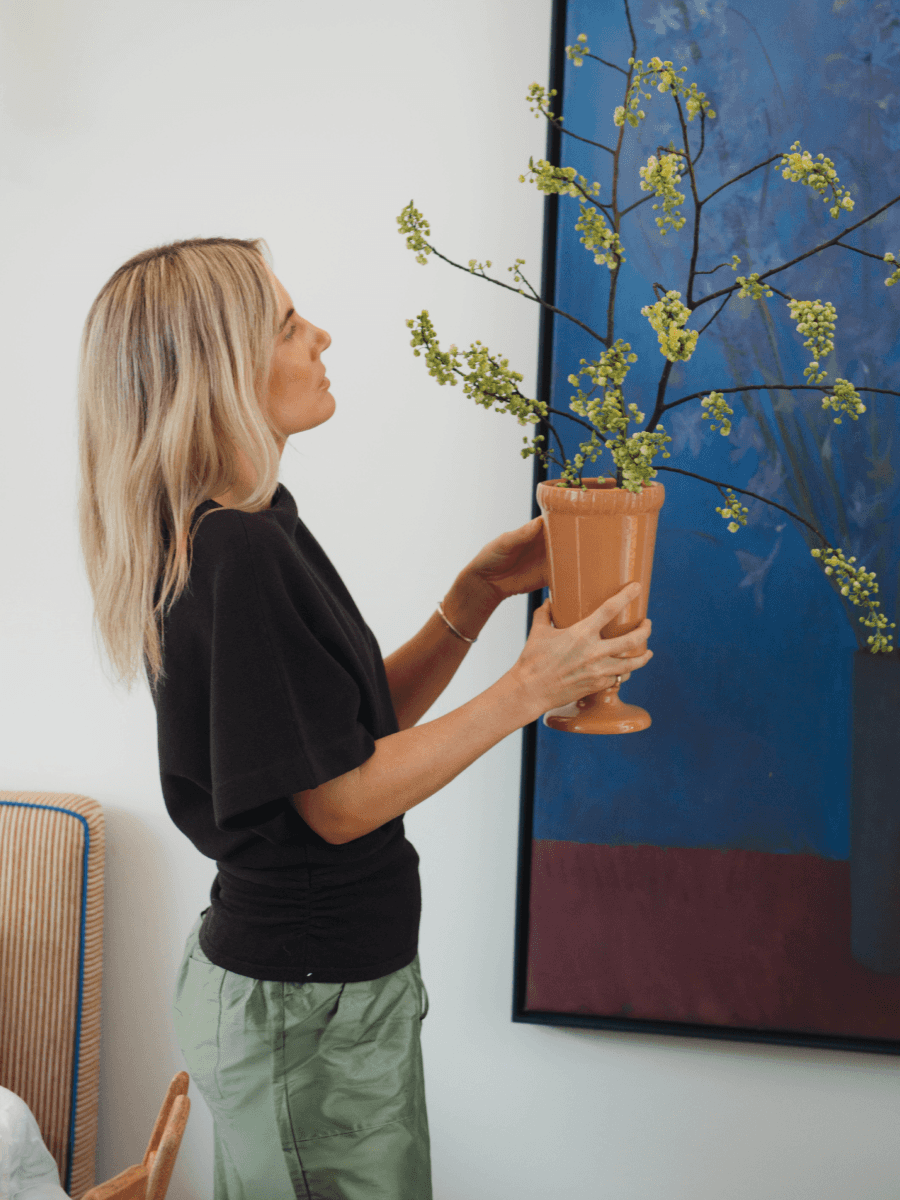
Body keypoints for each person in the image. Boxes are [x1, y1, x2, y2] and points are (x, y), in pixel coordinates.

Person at [75, 238, 652, 1200]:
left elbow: (337, 737)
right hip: (307, 1013)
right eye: (290, 325)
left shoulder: (252, 524)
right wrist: (528, 690)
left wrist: (474, 595)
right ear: (221, 367)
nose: (320, 338)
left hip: (318, 1001)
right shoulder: (237, 551)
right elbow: (338, 805)